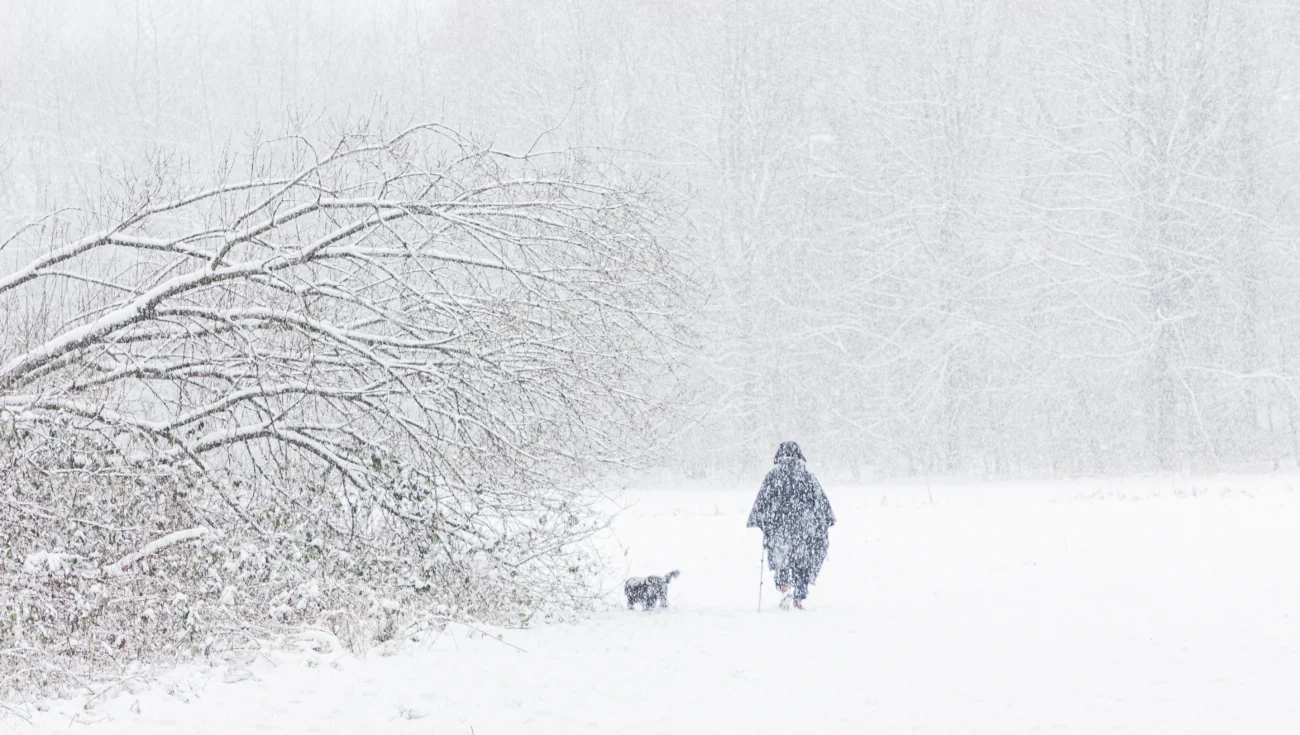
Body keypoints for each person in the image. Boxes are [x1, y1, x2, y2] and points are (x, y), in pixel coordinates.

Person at [746, 441, 836, 609]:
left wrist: (762, 521)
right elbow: (820, 503)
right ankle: (799, 597)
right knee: (803, 563)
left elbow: (762, 503)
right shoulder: (808, 476)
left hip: (779, 528)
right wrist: (823, 521)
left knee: (781, 561)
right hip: (805, 530)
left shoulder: (773, 476)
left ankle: (785, 588)